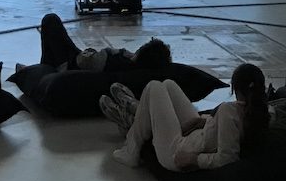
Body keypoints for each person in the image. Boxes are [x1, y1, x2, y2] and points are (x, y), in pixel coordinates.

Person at [101, 62, 269, 171]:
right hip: (198, 135)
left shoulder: (228, 111)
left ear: (235, 89)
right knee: (168, 84)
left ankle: (131, 149)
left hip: (178, 151)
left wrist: (195, 159)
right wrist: (204, 122)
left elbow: (227, 158)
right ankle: (136, 112)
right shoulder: (262, 112)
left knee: (154, 87)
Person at [33, 12, 172, 73]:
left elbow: (88, 61)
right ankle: (44, 66)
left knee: (50, 20)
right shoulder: (131, 64)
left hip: (71, 63)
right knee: (53, 30)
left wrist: (116, 52)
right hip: (77, 58)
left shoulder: (121, 63)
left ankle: (46, 68)